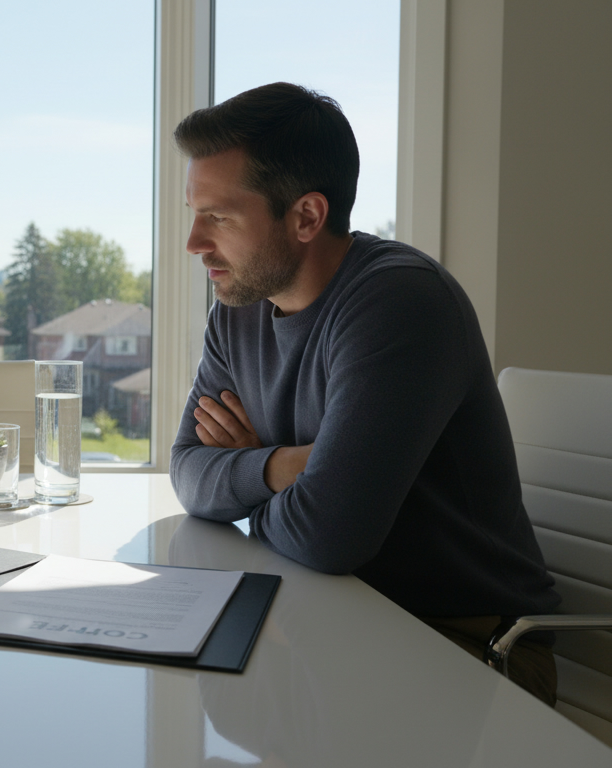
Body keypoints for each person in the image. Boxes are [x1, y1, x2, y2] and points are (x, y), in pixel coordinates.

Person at [168, 83, 560, 702]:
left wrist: (250, 481)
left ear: (306, 216)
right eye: (194, 213)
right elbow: (189, 474)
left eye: (218, 217)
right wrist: (284, 465)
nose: (193, 243)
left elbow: (330, 536)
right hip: (333, 617)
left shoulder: (400, 303)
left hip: (468, 649)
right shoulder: (239, 308)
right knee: (211, 705)